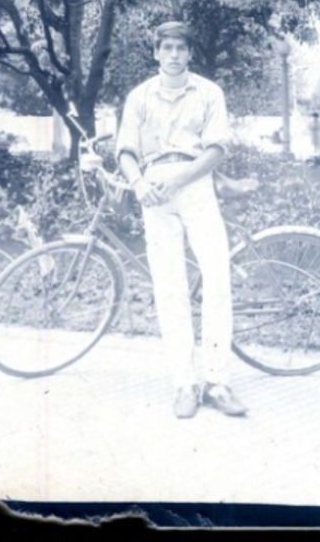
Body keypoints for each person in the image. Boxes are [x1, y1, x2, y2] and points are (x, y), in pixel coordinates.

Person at [116, 21, 248, 420]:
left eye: (181, 48)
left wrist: (182, 177)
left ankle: (217, 382)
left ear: (190, 53)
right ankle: (184, 384)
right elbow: (126, 150)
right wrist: (138, 184)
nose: (174, 55)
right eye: (167, 47)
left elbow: (217, 149)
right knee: (170, 286)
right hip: (154, 193)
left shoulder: (209, 93)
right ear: (156, 52)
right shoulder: (139, 97)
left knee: (217, 279)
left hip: (195, 186)